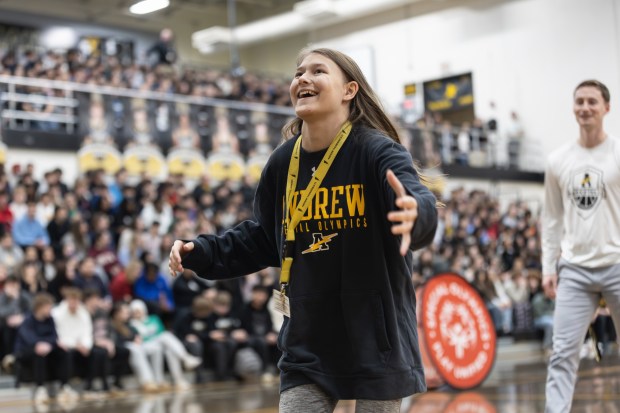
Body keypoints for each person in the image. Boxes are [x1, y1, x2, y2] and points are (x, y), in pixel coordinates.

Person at [169, 47, 438, 412]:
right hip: (308, 340)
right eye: (298, 73)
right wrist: (201, 252)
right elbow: (264, 238)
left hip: (376, 339)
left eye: (317, 71)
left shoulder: (377, 151)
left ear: (349, 90)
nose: (302, 79)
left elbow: (417, 198)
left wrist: (415, 215)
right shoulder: (283, 162)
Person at [541, 79, 620, 413]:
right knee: (562, 352)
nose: (585, 107)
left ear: (606, 108)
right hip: (574, 268)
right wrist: (548, 267)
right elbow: (552, 218)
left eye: (592, 101)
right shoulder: (558, 160)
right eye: (579, 101)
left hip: (617, 262)